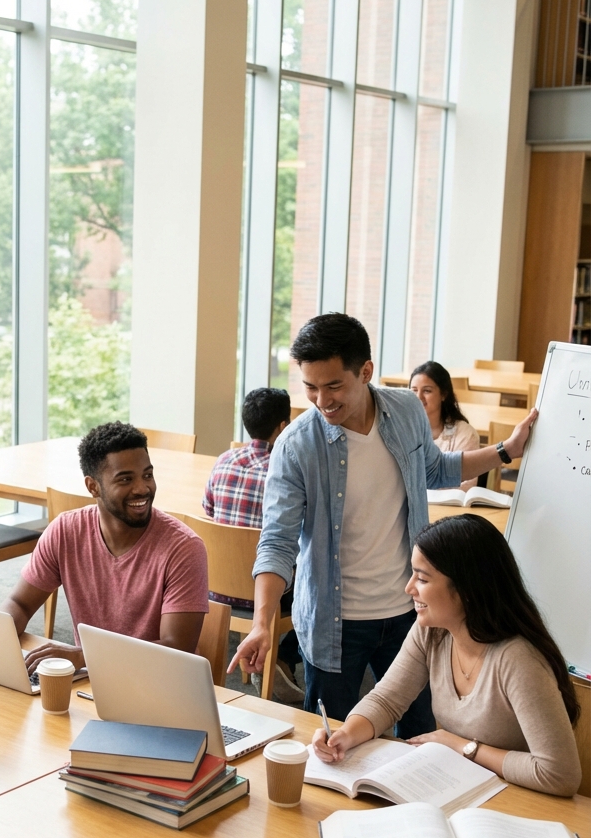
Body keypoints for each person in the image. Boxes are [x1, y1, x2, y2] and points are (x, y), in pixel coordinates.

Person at [228, 313, 537, 737]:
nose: (322, 400)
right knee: (332, 741)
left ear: (366, 372)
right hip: (334, 623)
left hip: (412, 613)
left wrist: (506, 451)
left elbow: (433, 468)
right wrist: (262, 622)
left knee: (422, 735)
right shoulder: (297, 445)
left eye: (334, 385)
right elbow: (277, 541)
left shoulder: (406, 409)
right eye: (311, 387)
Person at [312, 515, 582, 796]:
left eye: (422, 578)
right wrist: (345, 735)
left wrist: (460, 746)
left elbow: (559, 774)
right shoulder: (432, 632)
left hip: (519, 799)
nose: (409, 588)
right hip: (462, 787)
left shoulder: (518, 659)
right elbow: (387, 700)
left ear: (466, 589)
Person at [0, 421, 209, 673]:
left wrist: (85, 657)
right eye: (125, 479)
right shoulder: (65, 531)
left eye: (147, 475)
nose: (142, 488)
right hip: (93, 679)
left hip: (159, 680)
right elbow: (19, 603)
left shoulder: (183, 548)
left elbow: (176, 648)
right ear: (93, 486)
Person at [203, 387, 301, 700]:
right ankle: (284, 658)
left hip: (217, 588)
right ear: (284, 426)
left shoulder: (223, 460)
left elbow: (208, 514)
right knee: (319, 587)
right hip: (268, 594)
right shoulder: (287, 470)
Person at [203, 387, 291, 527]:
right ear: (283, 426)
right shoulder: (284, 472)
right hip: (260, 549)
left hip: (220, 548)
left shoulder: (223, 460)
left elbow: (208, 509)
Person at [409, 361, 481, 490]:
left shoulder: (465, 434)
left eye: (427, 391)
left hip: (448, 508)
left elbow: (465, 486)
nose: (419, 397)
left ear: (443, 394)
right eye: (414, 390)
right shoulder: (402, 429)